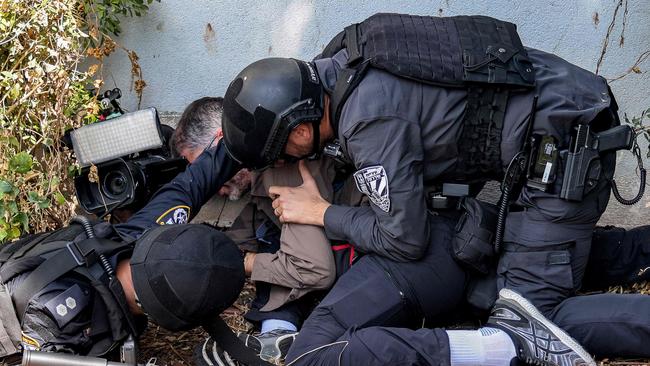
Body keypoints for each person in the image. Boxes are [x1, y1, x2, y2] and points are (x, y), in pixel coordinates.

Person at [219, 13, 650, 365]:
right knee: (509, 270)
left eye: (282, 154)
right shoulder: (336, 63)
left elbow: (405, 239)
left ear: (298, 127)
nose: (288, 165)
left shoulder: (367, 124)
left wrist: (320, 212)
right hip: (554, 121)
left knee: (528, 321)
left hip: (564, 147)